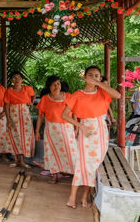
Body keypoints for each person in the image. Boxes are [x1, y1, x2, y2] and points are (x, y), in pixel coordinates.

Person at [61, 66, 121, 208]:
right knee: (82, 163)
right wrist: (80, 126)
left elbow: (118, 95)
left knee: (93, 166)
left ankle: (84, 197)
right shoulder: (77, 95)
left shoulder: (102, 92)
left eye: (97, 75)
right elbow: (64, 115)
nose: (93, 78)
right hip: (85, 131)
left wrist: (99, 84)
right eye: (90, 75)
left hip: (101, 132)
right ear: (84, 77)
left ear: (100, 78)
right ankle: (72, 197)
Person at [35, 75, 76, 184]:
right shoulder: (45, 99)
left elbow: (74, 112)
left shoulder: (68, 96)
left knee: (70, 151)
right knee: (52, 152)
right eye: (53, 84)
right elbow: (40, 116)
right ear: (49, 87)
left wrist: (76, 127)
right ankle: (54, 175)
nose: (56, 86)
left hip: (67, 128)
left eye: (58, 83)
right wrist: (37, 131)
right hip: (51, 129)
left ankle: (73, 174)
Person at [4, 72, 35, 168]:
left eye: (19, 78)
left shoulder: (27, 89)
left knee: (24, 137)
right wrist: (8, 120)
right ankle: (16, 160)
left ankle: (22, 161)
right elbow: (7, 105)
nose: (17, 80)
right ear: (12, 80)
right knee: (14, 136)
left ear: (22, 80)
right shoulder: (9, 91)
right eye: (14, 78)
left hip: (24, 115)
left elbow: (33, 95)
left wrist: (31, 103)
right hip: (13, 114)